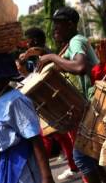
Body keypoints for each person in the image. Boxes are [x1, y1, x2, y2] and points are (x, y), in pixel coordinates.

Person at [39, 7, 106, 183]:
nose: (54, 29)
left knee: (81, 157)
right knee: (91, 160)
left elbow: (79, 67)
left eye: (58, 25)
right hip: (87, 109)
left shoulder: (76, 41)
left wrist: (52, 57)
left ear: (70, 24)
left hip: (92, 107)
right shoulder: (69, 45)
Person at [15, 27, 80, 181]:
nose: (26, 43)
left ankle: (73, 166)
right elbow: (31, 77)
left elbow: (40, 74)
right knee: (60, 136)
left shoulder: (42, 53)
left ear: (35, 41)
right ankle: (74, 165)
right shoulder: (34, 55)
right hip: (47, 101)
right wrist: (22, 69)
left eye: (28, 39)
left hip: (52, 101)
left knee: (57, 136)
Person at [0, 53, 54, 183]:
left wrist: (47, 177)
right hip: (1, 166)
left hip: (22, 167)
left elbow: (35, 138)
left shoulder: (15, 100)